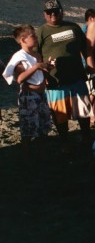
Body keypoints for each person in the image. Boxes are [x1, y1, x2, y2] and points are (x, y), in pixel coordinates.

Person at [37, 0, 93, 152]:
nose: (53, 14)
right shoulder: (41, 31)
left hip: (77, 77)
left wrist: (90, 65)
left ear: (62, 11)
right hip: (55, 81)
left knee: (83, 111)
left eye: (56, 11)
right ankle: (64, 142)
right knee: (60, 115)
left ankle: (87, 137)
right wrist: (42, 72)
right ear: (45, 14)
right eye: (49, 12)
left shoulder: (73, 27)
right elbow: (35, 55)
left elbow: (85, 49)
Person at [2, 25, 53, 158]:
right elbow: (20, 78)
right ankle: (26, 152)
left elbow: (39, 74)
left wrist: (46, 67)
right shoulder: (20, 57)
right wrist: (36, 67)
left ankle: (41, 150)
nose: (36, 38)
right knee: (29, 125)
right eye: (33, 36)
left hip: (41, 93)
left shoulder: (36, 54)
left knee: (43, 122)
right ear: (23, 40)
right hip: (29, 95)